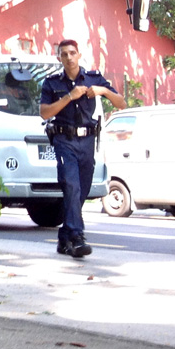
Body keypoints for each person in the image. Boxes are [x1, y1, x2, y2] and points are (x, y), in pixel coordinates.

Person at [39, 39, 127, 258]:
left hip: (87, 142)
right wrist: (70, 97)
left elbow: (121, 103)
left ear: (79, 55)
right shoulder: (51, 83)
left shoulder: (93, 78)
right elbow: (45, 113)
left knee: (82, 190)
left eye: (72, 53)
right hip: (63, 140)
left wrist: (103, 91)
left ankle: (64, 235)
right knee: (71, 185)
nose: (68, 57)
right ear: (58, 58)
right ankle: (77, 238)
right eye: (64, 54)